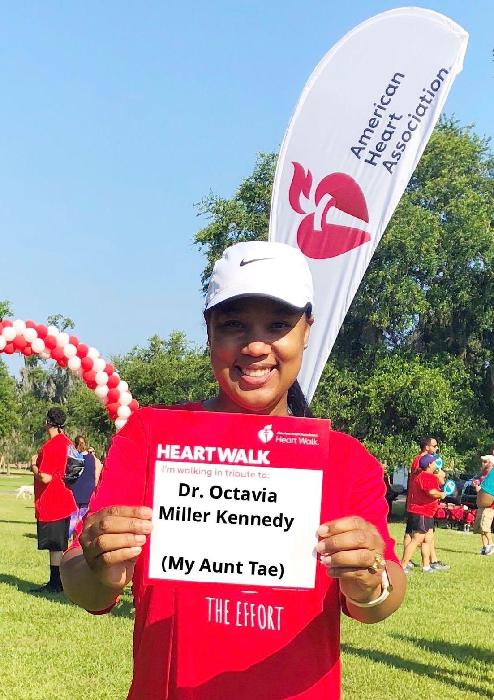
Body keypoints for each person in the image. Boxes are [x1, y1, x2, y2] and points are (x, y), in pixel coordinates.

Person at [61, 241, 406, 700]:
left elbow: (381, 600)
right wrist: (98, 567)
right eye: (233, 325)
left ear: (307, 331)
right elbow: (82, 585)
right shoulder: (148, 436)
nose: (256, 346)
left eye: (278, 325)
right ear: (209, 332)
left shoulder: (345, 459)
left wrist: (370, 583)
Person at [31, 408, 77, 593]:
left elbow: (45, 477)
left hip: (53, 501)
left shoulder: (52, 446)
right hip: (65, 498)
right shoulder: (67, 442)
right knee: (59, 545)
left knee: (55, 546)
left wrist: (33, 465)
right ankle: (59, 582)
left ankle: (55, 583)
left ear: (47, 422)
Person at [403, 437, 448, 571]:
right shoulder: (423, 470)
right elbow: (431, 491)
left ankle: (427, 565)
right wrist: (441, 494)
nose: (436, 448)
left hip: (427, 511)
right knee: (416, 538)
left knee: (427, 538)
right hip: (420, 510)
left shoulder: (427, 473)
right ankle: (403, 564)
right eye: (434, 446)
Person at [68, 436, 103, 539]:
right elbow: (96, 475)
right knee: (83, 516)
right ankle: (79, 536)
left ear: (75, 444)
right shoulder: (92, 459)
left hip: (75, 490)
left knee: (73, 516)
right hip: (88, 490)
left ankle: (69, 535)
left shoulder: (74, 457)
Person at [472, 455, 494, 555]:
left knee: (485, 525)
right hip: (482, 503)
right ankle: (485, 547)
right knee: (480, 527)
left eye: (485, 461)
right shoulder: (484, 474)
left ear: (491, 463)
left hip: (490, 506)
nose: (483, 463)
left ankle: (491, 544)